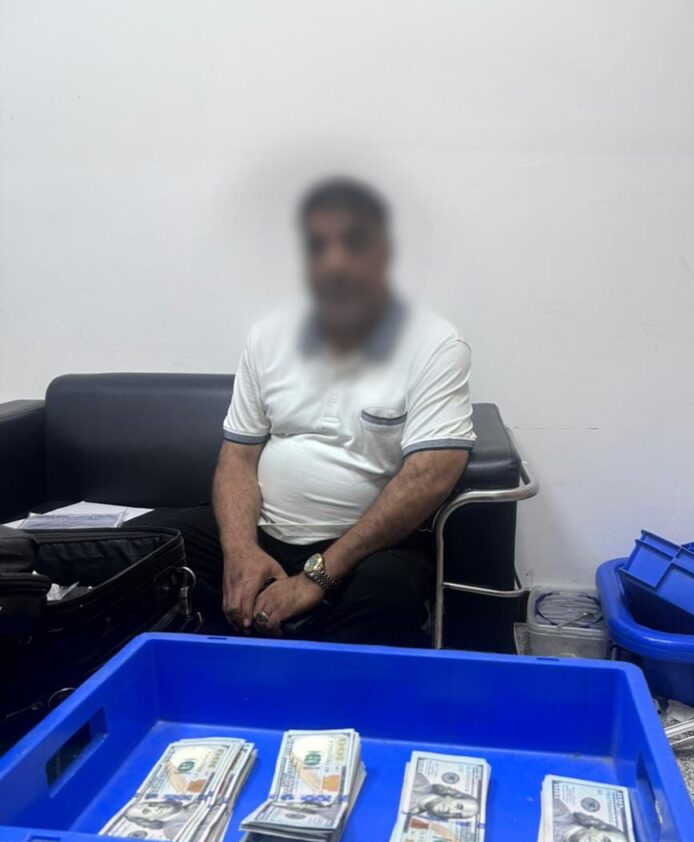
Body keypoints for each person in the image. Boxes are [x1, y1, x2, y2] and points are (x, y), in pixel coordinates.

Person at [171, 177, 475, 646]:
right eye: (318, 246)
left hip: (367, 547)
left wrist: (318, 576)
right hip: (263, 532)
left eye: (353, 242)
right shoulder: (268, 336)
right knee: (145, 553)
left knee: (385, 594)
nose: (334, 261)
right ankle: (220, 663)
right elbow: (238, 457)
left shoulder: (435, 344)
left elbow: (431, 474)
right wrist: (240, 551)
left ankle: (311, 684)